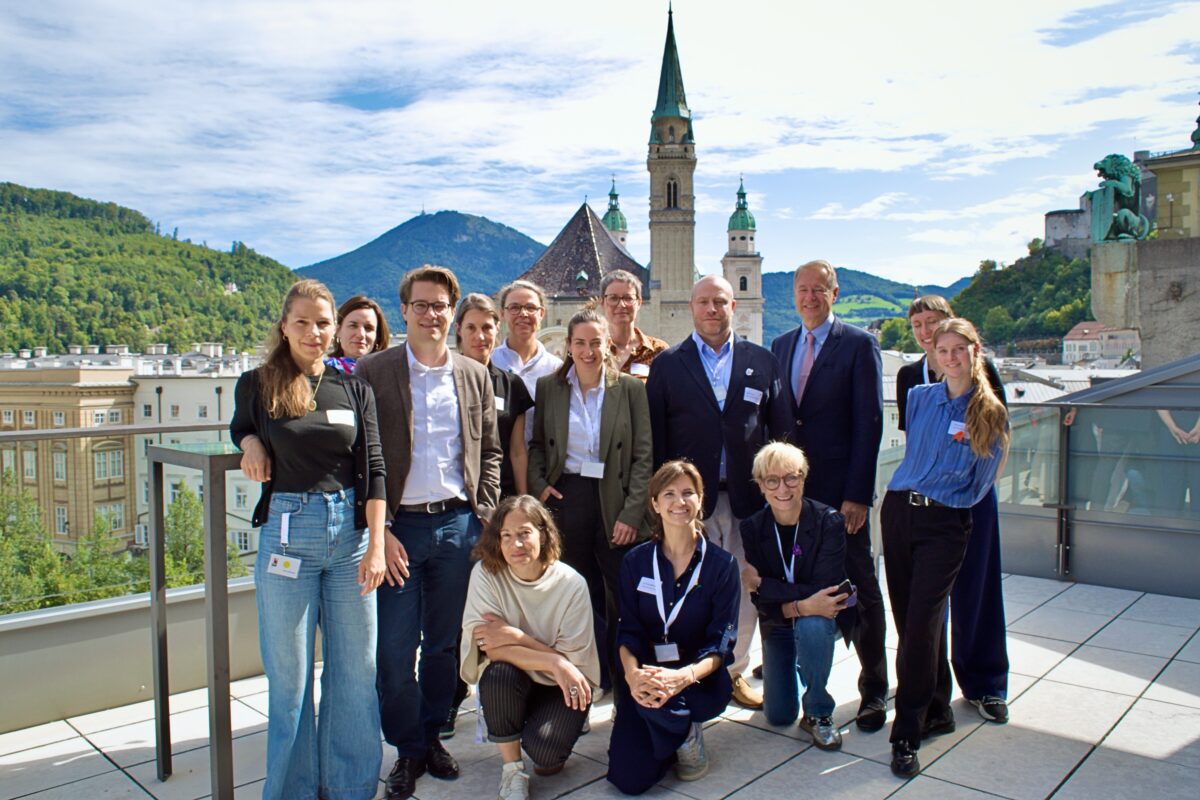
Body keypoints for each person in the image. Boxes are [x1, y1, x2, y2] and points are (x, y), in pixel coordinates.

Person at [230, 278, 390, 800]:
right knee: (291, 679)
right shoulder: (258, 384)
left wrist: (378, 546)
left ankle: (350, 788)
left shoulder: (354, 387)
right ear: (284, 326)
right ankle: (291, 792)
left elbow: (375, 468)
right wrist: (251, 440)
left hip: (350, 538)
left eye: (323, 322)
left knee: (355, 673)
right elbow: (240, 427)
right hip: (287, 533)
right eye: (302, 321)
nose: (314, 331)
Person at [354, 265, 502, 800]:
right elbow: (360, 459)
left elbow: (490, 450)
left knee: (443, 647)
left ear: (452, 312)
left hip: (458, 527)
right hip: (399, 529)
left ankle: (434, 736)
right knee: (394, 652)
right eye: (421, 304)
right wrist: (380, 528)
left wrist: (483, 512)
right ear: (406, 311)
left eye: (440, 305)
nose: (431, 314)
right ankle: (407, 750)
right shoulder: (373, 371)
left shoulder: (474, 374)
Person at [645, 274, 792, 710]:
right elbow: (655, 437)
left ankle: (733, 673)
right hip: (688, 504)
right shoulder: (669, 364)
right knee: (690, 589)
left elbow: (780, 431)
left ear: (733, 307)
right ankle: (693, 672)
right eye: (704, 302)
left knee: (747, 588)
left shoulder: (762, 361)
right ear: (692, 307)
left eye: (720, 302)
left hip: (749, 500)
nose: (712, 309)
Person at [882, 318, 1009, 778]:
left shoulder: (988, 409)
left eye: (959, 349)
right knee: (910, 622)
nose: (951, 358)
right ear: (933, 355)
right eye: (943, 350)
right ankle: (938, 707)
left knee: (922, 625)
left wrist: (947, 504)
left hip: (945, 522)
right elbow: (917, 450)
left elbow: (983, 480)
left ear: (975, 352)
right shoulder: (918, 398)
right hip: (898, 512)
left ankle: (907, 732)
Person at [769, 259, 887, 732]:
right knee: (798, 584)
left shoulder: (859, 345)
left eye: (819, 289)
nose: (810, 297)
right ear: (793, 294)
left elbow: (869, 424)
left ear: (834, 293)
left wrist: (857, 494)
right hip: (792, 496)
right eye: (802, 289)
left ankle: (874, 688)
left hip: (841, 498)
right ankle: (799, 672)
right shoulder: (779, 345)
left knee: (860, 589)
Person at [527, 307, 653, 698]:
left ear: (608, 345)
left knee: (623, 590)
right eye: (579, 343)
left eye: (595, 342)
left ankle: (625, 673)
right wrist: (540, 486)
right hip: (568, 495)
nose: (588, 351)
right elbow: (536, 446)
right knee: (579, 592)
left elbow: (644, 455)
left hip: (615, 497)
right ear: (568, 345)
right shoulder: (549, 387)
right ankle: (592, 675)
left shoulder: (630, 389)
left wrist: (632, 512)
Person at [607, 460, 741, 794]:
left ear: (700, 499)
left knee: (673, 706)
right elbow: (628, 631)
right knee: (629, 780)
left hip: (698, 681)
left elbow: (721, 644)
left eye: (687, 493)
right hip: (647, 678)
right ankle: (672, 732)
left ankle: (682, 732)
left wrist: (682, 677)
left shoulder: (722, 566)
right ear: (654, 503)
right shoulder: (636, 562)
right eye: (668, 494)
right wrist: (633, 676)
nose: (679, 502)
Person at [460, 495, 601, 800]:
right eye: (506, 536)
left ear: (543, 533)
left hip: (560, 683)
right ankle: (511, 769)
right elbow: (490, 648)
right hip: (520, 675)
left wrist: (514, 636)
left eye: (524, 533)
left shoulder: (571, 583)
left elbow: (572, 663)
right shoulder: (486, 574)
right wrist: (553, 661)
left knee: (546, 757)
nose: (516, 545)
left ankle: (540, 729)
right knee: (497, 674)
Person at [740, 442, 851, 751]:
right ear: (761, 486)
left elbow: (825, 592)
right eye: (771, 480)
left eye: (791, 478)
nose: (783, 488)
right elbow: (760, 600)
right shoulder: (752, 528)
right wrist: (798, 603)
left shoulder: (828, 521)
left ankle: (818, 711)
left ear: (804, 478)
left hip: (820, 618)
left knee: (813, 624)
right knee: (778, 715)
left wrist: (765, 584)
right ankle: (801, 667)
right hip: (777, 621)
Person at [456, 293, 533, 498]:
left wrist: (524, 498)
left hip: (503, 493)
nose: (480, 337)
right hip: (458, 496)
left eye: (487, 328)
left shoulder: (512, 385)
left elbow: (517, 451)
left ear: (498, 328)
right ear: (458, 330)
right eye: (471, 328)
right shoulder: (444, 381)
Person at [492, 279, 563, 443]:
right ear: (502, 314)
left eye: (530, 308)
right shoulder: (490, 363)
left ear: (542, 313)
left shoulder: (556, 369)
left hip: (542, 461)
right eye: (515, 308)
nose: (523, 314)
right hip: (499, 460)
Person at [599, 269, 668, 380]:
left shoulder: (658, 351)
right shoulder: (594, 350)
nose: (621, 304)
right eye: (613, 298)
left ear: (639, 302)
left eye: (628, 298)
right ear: (602, 303)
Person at [326, 295, 390, 374]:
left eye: (368, 328)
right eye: (353, 326)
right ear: (338, 330)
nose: (361, 334)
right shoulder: (322, 374)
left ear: (377, 336)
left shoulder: (390, 374)